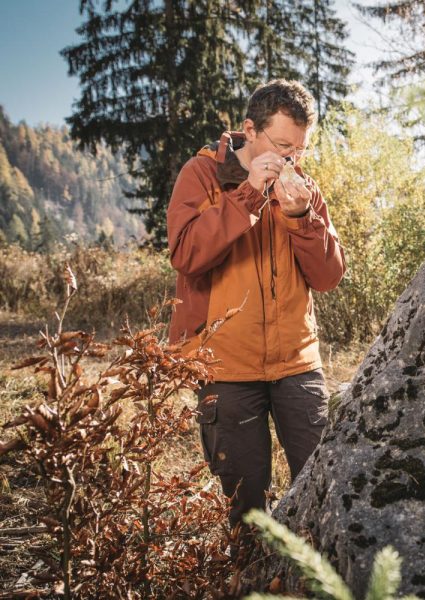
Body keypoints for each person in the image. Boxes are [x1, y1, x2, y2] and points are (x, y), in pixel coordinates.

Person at [166, 79, 345, 529]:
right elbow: (186, 254)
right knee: (247, 512)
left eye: (301, 149)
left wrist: (302, 219)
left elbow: (328, 277)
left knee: (324, 486)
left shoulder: (305, 187)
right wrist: (247, 194)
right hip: (224, 367)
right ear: (249, 130)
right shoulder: (201, 175)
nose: (293, 160)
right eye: (284, 146)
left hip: (297, 364)